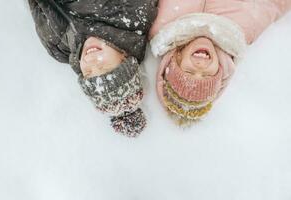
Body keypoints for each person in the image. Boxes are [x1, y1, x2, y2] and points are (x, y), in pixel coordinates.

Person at [149, 0, 291, 125]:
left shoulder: (161, 26)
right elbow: (274, 4)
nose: (200, 68)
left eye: (189, 72)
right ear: (220, 69)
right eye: (207, 75)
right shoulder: (244, 29)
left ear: (177, 58)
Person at [28, 0, 158, 137]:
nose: (90, 60)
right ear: (124, 58)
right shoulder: (132, 12)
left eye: (88, 72)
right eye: (103, 66)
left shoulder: (59, 49)